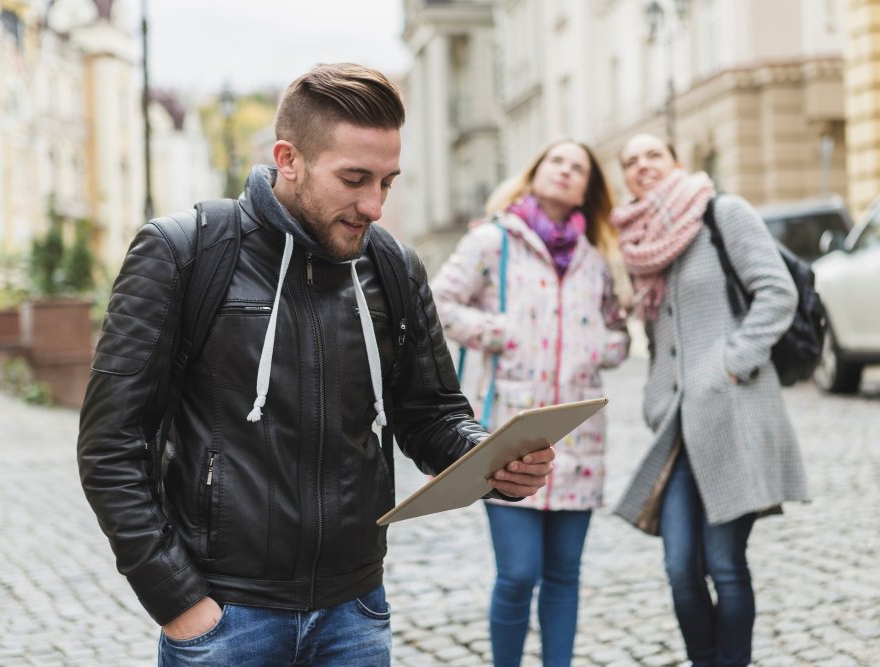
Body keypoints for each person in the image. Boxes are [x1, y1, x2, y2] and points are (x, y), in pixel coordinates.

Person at [76, 63, 555, 667]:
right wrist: (180, 603)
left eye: (387, 181)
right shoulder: (184, 251)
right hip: (226, 619)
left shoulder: (393, 267)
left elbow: (430, 412)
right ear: (289, 158)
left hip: (355, 612)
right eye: (354, 178)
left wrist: (491, 458)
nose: (374, 205)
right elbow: (110, 445)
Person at [609, 133, 809, 667]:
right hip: (676, 428)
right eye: (630, 161)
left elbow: (777, 292)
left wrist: (730, 363)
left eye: (654, 155)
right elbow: (659, 336)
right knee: (680, 568)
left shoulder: (723, 213)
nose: (642, 166)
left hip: (732, 412)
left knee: (725, 564)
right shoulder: (639, 242)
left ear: (676, 162)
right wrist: (656, 396)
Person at [432, 139, 630, 667]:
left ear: (589, 189)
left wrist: (602, 346)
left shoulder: (595, 261)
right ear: (535, 172)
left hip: (578, 439)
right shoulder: (492, 241)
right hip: (509, 436)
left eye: (579, 168)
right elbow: (438, 302)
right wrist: (498, 331)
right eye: (557, 162)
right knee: (519, 574)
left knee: (564, 575)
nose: (566, 172)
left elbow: (619, 334)